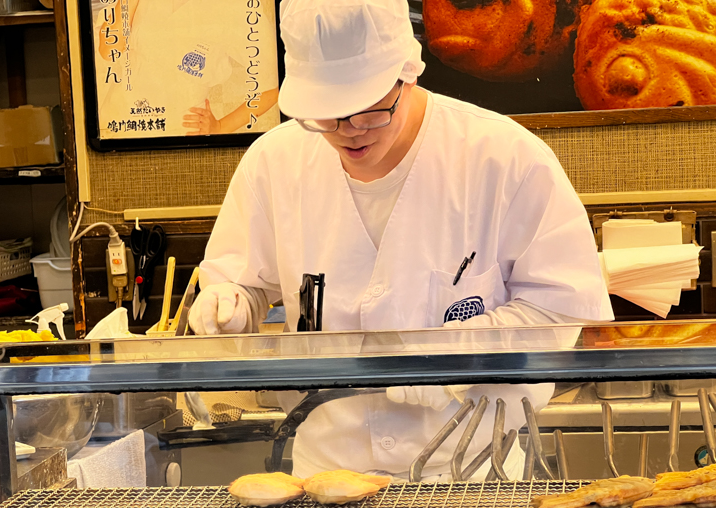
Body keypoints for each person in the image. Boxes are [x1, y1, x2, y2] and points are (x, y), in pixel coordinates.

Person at [188, 0, 613, 481]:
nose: (347, 133)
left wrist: (452, 361)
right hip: (325, 474)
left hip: (468, 472)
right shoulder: (274, 163)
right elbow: (244, 284)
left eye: (368, 111)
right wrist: (231, 304)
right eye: (325, 116)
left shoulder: (506, 159)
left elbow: (557, 311)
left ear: (408, 72)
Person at [96, 0, 279, 136]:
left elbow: (275, 83)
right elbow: (108, 49)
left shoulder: (235, 7)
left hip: (179, 135)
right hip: (119, 123)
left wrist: (221, 127)